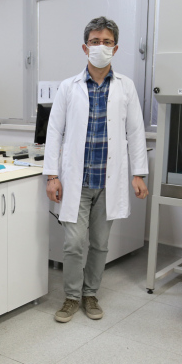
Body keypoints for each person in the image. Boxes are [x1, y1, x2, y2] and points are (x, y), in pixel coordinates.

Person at [43, 16, 149, 323]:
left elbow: (135, 132)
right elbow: (54, 132)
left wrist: (139, 173)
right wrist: (52, 175)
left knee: (100, 244)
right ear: (84, 47)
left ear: (115, 48)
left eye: (106, 42)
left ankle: (90, 294)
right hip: (77, 181)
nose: (100, 47)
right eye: (94, 41)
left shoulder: (125, 87)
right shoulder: (69, 87)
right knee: (74, 243)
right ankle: (71, 297)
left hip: (108, 181)